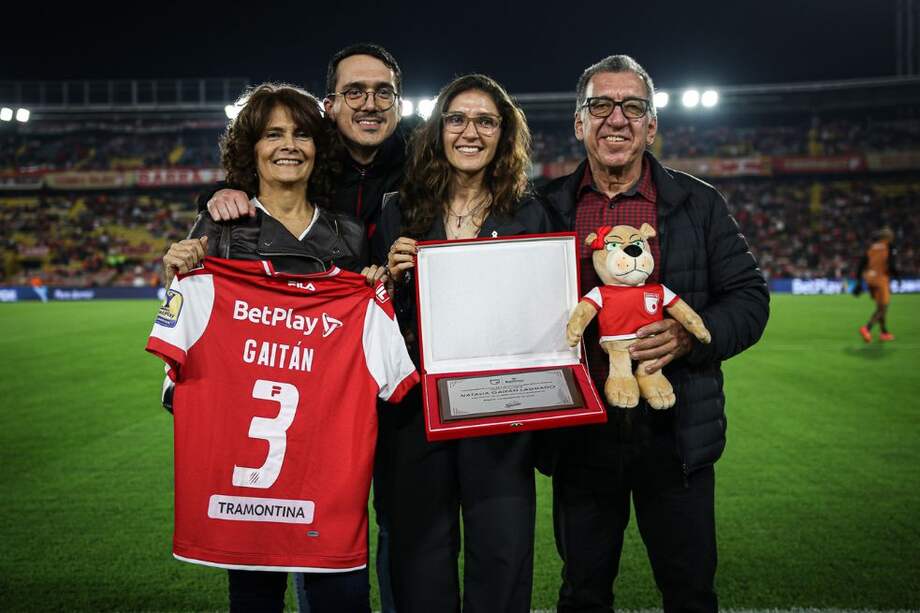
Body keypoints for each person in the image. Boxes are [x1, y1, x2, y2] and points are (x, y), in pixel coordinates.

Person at [536, 55, 769, 612]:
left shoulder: (698, 203)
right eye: (600, 105)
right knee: (583, 593)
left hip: (676, 433)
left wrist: (692, 338)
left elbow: (749, 299)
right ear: (578, 122)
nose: (616, 118)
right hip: (582, 436)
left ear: (652, 124)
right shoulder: (543, 208)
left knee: (689, 592)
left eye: (632, 107)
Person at [197, 43, 408, 613]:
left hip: (341, 416)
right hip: (254, 429)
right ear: (331, 104)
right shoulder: (224, 225)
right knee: (258, 581)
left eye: (382, 92)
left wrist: (375, 286)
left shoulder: (365, 215)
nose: (289, 145)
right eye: (272, 135)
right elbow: (189, 317)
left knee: (346, 565)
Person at [379, 74, 551, 612]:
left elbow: (544, 314)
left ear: (503, 134)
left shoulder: (530, 214)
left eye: (485, 121)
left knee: (501, 554)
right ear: (438, 130)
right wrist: (388, 279)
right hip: (415, 410)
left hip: (500, 409)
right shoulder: (397, 210)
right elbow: (375, 318)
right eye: (456, 119)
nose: (470, 132)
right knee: (419, 557)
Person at [854, 226, 899, 342]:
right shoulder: (889, 247)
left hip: (870, 279)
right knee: (883, 308)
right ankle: (867, 328)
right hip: (881, 279)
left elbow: (861, 264)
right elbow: (892, 264)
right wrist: (898, 277)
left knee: (880, 307)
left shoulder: (872, 247)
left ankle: (884, 332)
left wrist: (859, 281)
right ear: (888, 237)